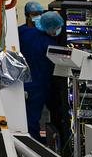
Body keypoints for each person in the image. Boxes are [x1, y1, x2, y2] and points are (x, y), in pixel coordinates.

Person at [18, 8, 65, 138]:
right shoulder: (49, 44)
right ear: (52, 28)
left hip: (22, 82)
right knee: (32, 119)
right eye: (57, 28)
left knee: (25, 117)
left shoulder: (24, 31)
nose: (58, 31)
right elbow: (66, 60)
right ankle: (33, 144)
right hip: (38, 86)